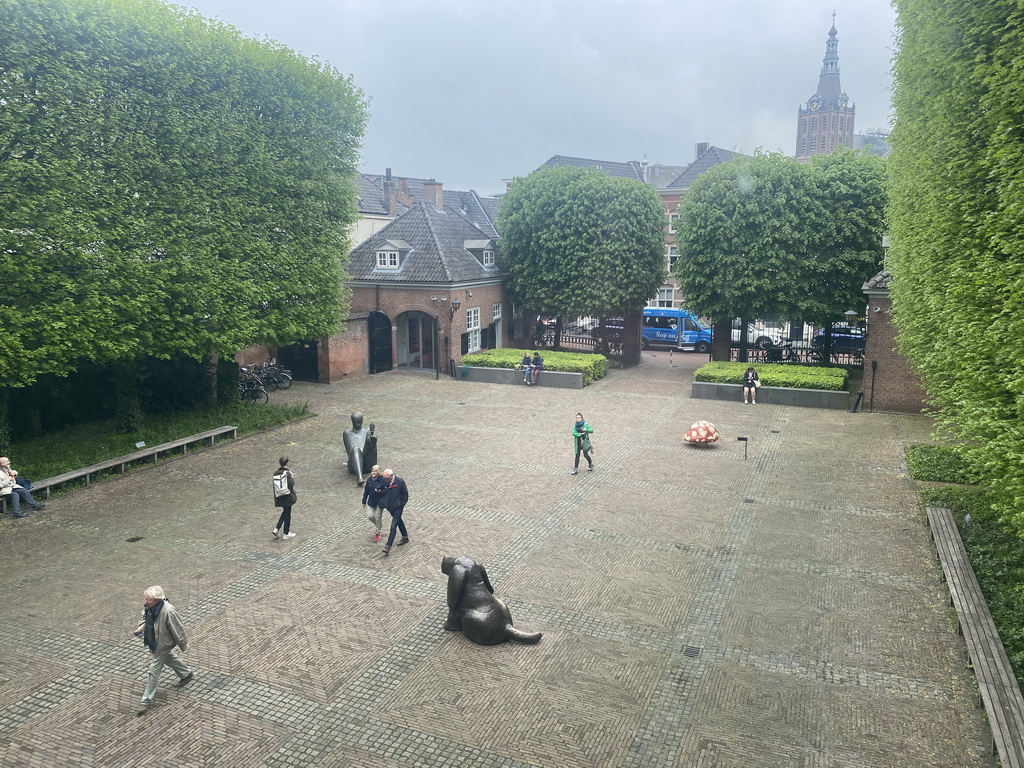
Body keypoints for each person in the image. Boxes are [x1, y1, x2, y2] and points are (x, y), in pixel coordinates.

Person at [134, 585, 193, 716]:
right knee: (169, 657)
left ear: (157, 599)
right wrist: (140, 629)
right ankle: (186, 673)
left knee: (153, 672)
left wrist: (183, 645)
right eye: (145, 599)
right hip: (156, 642)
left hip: (162, 644)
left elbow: (178, 629)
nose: (145, 602)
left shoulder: (168, 611)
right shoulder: (150, 607)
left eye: (148, 599)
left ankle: (145, 701)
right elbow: (146, 620)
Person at [380, 468, 409, 555]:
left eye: (387, 478)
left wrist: (401, 504)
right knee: (398, 521)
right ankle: (405, 537)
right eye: (384, 478)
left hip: (398, 507)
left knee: (393, 526)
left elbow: (405, 494)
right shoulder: (384, 481)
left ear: (392, 476)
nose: (385, 480)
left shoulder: (400, 482)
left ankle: (388, 546)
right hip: (390, 507)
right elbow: (383, 491)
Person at [342, 412, 378, 484]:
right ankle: (359, 477)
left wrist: (372, 440)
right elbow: (350, 452)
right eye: (356, 422)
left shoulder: (367, 431)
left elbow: (371, 448)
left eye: (359, 422)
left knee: (370, 437)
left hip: (369, 463)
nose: (358, 424)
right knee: (355, 449)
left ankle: (372, 439)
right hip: (354, 465)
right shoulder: (347, 433)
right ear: (353, 422)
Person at [272, 456, 297, 540]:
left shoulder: (275, 473)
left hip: (279, 496)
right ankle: (286, 533)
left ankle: (277, 529)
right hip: (287, 496)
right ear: (287, 463)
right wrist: (292, 478)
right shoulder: (288, 473)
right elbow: (290, 485)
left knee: (285, 512)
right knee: (287, 514)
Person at [361, 464, 387, 543]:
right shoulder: (369, 480)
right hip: (371, 501)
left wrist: (380, 492)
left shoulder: (382, 480)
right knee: (370, 516)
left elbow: (386, 491)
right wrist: (364, 501)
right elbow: (366, 491)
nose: (373, 472)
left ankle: (378, 532)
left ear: (378, 472)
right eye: (372, 471)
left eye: (375, 471)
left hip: (379, 502)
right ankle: (379, 525)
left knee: (377, 516)